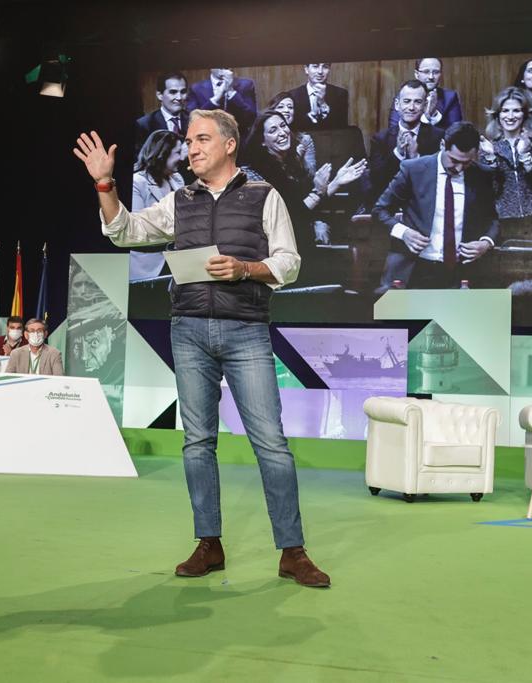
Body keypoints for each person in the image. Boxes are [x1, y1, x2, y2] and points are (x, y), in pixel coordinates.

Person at [72, 108, 331, 587]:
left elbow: (289, 262)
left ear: (229, 144)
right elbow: (124, 232)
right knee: (197, 443)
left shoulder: (263, 196)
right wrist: (105, 186)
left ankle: (293, 552)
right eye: (189, 141)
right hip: (188, 329)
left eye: (202, 139)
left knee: (271, 444)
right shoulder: (179, 200)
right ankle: (208, 544)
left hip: (245, 329)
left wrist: (245, 269)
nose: (191, 148)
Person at [372, 121, 499, 291]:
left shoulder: (481, 175)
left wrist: (486, 243)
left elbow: (492, 219)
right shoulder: (413, 170)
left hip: (460, 273)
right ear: (442, 145)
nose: (459, 168)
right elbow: (379, 211)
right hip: (413, 270)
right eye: (454, 160)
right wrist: (404, 233)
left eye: (467, 162)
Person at [241, 109, 365, 260]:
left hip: (301, 245)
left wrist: (336, 182)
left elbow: (307, 205)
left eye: (283, 126)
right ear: (262, 140)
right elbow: (288, 217)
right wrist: (317, 192)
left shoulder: (291, 164)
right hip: (274, 254)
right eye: (273, 130)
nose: (282, 132)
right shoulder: (254, 175)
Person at [479, 87, 532, 245]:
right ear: (497, 115)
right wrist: (492, 158)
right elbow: (490, 191)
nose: (510, 116)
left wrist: (525, 156)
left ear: (525, 114)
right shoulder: (489, 146)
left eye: (516, 111)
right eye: (505, 111)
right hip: (504, 218)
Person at [365, 79, 444, 209]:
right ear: (397, 104)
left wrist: (416, 159)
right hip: (390, 207)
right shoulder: (380, 139)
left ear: (425, 106)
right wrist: (398, 153)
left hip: (425, 207)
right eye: (406, 101)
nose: (411, 108)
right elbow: (376, 181)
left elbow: (437, 180)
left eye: (417, 102)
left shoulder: (438, 137)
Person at [389, 58, 463, 132]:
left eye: (436, 72)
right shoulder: (403, 97)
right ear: (416, 74)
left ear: (441, 74)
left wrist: (435, 115)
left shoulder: (450, 97)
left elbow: (455, 134)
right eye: (426, 72)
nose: (431, 77)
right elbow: (395, 132)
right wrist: (426, 118)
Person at [186, 68, 257, 136]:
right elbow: (192, 120)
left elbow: (252, 117)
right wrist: (215, 99)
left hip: (239, 142)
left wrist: (232, 92)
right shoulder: (196, 88)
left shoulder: (246, 85)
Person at [134, 71, 190, 155]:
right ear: (159, 95)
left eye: (183, 92)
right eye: (173, 92)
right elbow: (141, 162)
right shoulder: (145, 124)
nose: (179, 97)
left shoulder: (193, 120)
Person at [133, 130, 186, 211]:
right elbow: (136, 221)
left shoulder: (177, 179)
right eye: (178, 152)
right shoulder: (137, 183)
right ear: (163, 153)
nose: (182, 158)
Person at [267, 91, 316, 175]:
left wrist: (300, 160)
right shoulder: (266, 138)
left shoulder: (304, 139)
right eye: (281, 107)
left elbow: (312, 174)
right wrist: (292, 158)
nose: (286, 110)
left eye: (290, 107)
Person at [290, 63, 349, 131]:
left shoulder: (340, 94)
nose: (320, 71)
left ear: (329, 69)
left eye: (325, 67)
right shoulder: (293, 95)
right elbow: (293, 129)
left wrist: (322, 103)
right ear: (306, 69)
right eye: (315, 66)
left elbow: (341, 127)